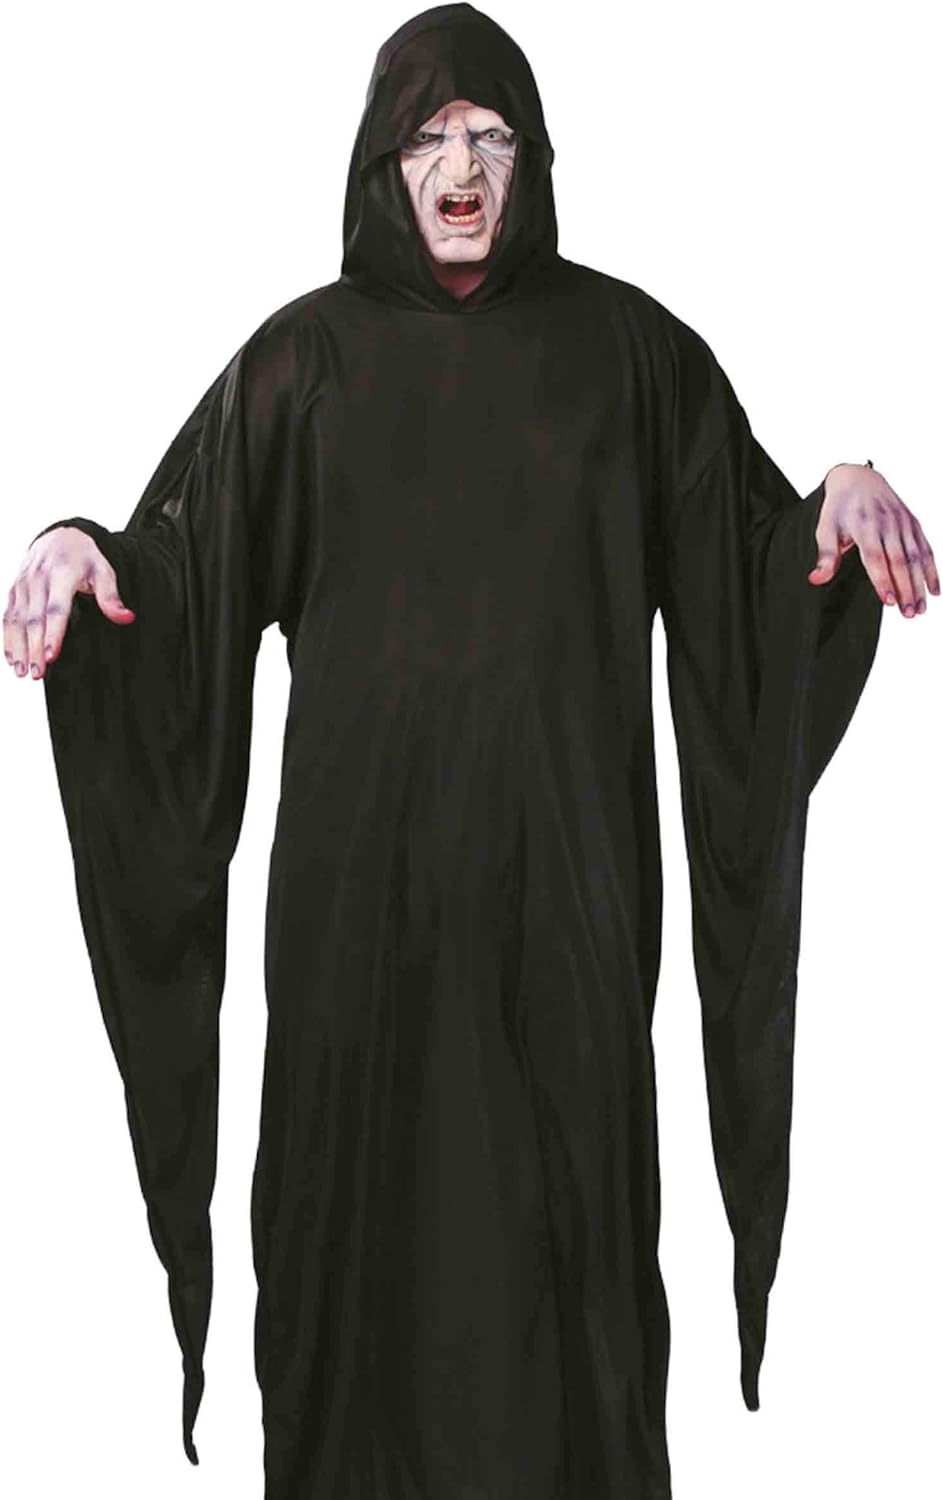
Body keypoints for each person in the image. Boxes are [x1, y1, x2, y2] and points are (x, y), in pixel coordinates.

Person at [4, 5, 936, 1497]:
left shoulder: (631, 355)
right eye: (429, 140)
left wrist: (836, 493)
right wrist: (76, 545)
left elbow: (759, 569)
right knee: (349, 1278)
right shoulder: (301, 363)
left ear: (534, 161)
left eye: (493, 139)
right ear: (382, 164)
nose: (461, 171)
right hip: (355, 941)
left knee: (569, 1293)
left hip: (563, 928)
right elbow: (171, 578)